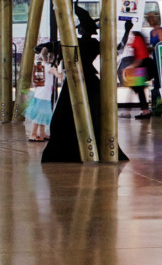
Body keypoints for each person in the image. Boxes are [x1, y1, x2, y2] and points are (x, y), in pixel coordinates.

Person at [42, 9, 123, 163]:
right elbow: (118, 49)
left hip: (74, 80)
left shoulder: (74, 42)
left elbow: (44, 47)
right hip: (90, 81)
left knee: (65, 113)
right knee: (94, 113)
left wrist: (45, 53)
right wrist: (126, 32)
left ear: (82, 29)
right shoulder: (93, 43)